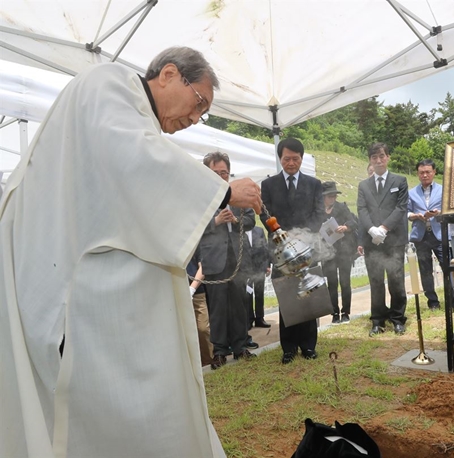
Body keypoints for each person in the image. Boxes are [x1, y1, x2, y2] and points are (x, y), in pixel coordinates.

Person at [0, 47, 262, 458]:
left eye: (203, 114)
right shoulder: (109, 84)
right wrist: (224, 190)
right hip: (54, 272)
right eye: (199, 104)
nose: (195, 119)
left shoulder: (132, 112)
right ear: (170, 74)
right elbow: (133, 160)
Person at [261, 137, 324, 364]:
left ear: (301, 159)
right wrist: (282, 236)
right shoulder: (268, 185)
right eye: (286, 159)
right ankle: (288, 347)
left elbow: (320, 214)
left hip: (307, 249)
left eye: (295, 159)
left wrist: (303, 234)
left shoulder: (314, 184)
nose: (291, 163)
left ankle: (308, 345)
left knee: (308, 295)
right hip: (282, 252)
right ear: (280, 159)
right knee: (287, 297)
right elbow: (264, 214)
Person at [199, 152, 257, 368]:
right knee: (218, 307)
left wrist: (236, 219)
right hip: (215, 261)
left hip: (238, 258)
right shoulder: (200, 198)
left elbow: (251, 219)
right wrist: (215, 221)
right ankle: (220, 351)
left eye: (224, 172)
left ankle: (240, 347)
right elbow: (193, 228)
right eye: (216, 172)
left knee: (240, 305)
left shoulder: (238, 195)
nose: (221, 176)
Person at [357, 142, 409, 337]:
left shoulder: (400, 181)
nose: (378, 161)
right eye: (374, 157)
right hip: (372, 241)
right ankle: (378, 320)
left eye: (381, 156)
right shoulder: (363, 185)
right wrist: (371, 230)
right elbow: (361, 209)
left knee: (396, 280)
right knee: (376, 281)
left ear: (388, 157)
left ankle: (397, 319)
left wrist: (384, 228)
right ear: (370, 160)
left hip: (394, 239)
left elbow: (401, 208)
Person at [407, 159, 444, 310]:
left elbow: (449, 209)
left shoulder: (443, 190)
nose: (425, 175)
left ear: (434, 172)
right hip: (421, 236)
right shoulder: (411, 193)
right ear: (417, 174)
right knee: (425, 270)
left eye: (428, 172)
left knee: (447, 267)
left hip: (440, 234)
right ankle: (432, 301)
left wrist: (438, 213)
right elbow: (406, 213)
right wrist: (415, 216)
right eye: (422, 172)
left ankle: (453, 298)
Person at [320, 181, 358, 324]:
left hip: (344, 250)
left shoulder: (342, 207)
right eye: (330, 196)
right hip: (327, 252)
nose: (333, 198)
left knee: (345, 282)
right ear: (323, 197)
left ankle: (346, 312)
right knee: (331, 283)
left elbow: (353, 222)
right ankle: (334, 313)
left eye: (334, 196)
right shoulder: (318, 211)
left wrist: (345, 227)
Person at [187, 254, 214, 367]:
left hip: (197, 292)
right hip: (175, 293)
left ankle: (208, 361)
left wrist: (192, 288)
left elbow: (202, 267)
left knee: (203, 329)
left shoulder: (194, 241)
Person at [246, 226, 271, 329]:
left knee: (259, 293)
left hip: (259, 267)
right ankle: (249, 319)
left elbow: (265, 249)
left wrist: (267, 265)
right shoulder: (239, 230)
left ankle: (260, 318)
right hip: (246, 268)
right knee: (247, 294)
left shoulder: (259, 230)